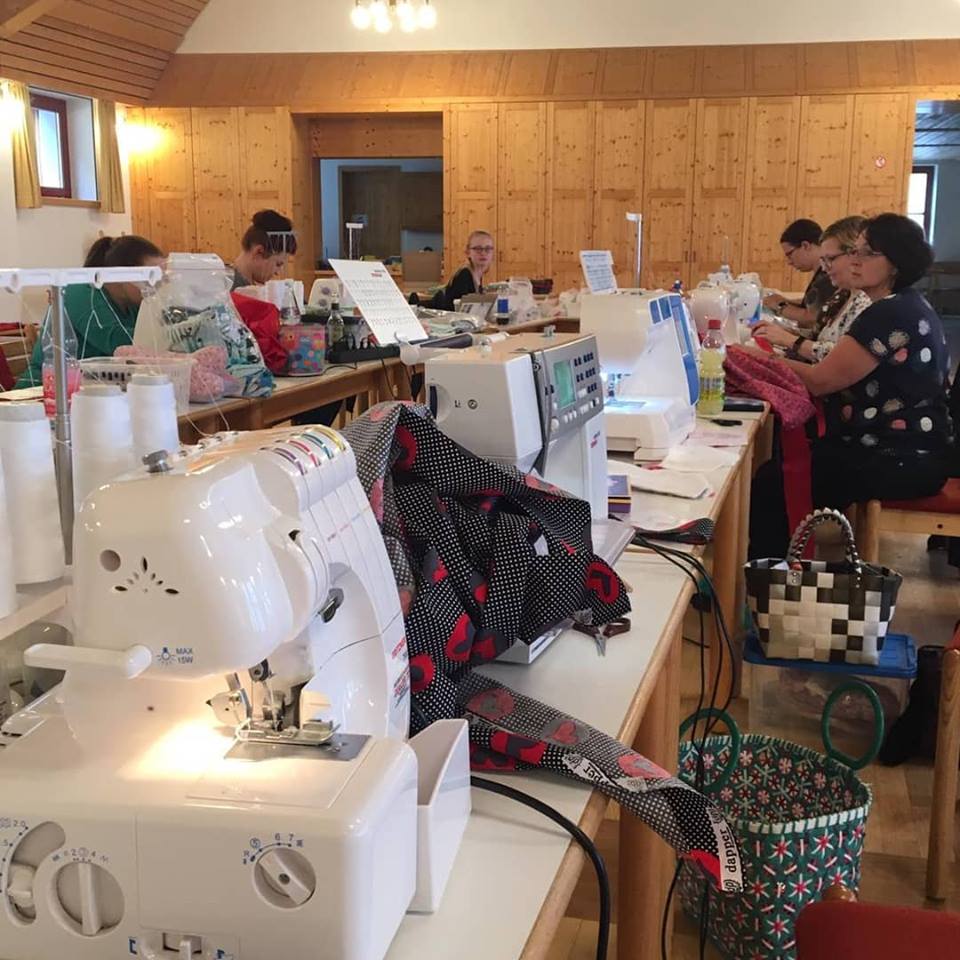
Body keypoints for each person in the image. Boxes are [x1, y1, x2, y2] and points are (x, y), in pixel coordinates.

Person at [774, 213, 951, 510]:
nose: (854, 261)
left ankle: (790, 544)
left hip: (899, 456)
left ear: (896, 262)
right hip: (905, 449)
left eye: (867, 253)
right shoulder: (905, 303)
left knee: (775, 480)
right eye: (854, 251)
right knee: (786, 458)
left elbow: (819, 381)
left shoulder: (890, 314)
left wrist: (766, 361)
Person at [17, 235, 165, 388]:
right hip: (42, 390)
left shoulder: (134, 305)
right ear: (124, 274)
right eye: (151, 278)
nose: (159, 286)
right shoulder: (79, 293)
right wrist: (171, 334)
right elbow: (120, 343)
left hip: (91, 388)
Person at [753, 217, 872, 364]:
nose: (825, 268)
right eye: (823, 260)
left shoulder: (866, 303)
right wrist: (782, 332)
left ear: (854, 256)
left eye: (830, 259)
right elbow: (821, 336)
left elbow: (842, 358)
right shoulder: (843, 294)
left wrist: (789, 339)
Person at [761, 219, 837, 331]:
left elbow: (812, 318)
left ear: (805, 245)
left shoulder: (826, 277)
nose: (789, 262)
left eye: (789, 254)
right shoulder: (821, 274)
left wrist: (779, 306)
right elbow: (812, 303)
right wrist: (784, 300)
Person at [231, 209, 297, 290]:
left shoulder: (249, 289)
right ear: (259, 252)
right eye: (278, 264)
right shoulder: (226, 290)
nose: (277, 272)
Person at [441, 230, 494, 310]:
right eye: (478, 249)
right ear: (468, 252)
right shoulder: (464, 275)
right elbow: (461, 312)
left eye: (488, 249)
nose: (483, 253)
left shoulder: (477, 275)